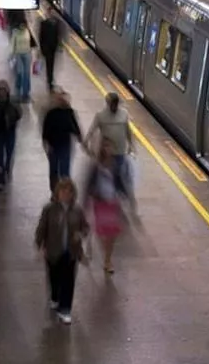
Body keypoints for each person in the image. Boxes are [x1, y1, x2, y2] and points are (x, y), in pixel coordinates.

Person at [34, 177, 90, 325]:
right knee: (54, 277)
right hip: (53, 251)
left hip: (70, 251)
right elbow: (42, 228)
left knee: (68, 280)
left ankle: (65, 309)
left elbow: (85, 227)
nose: (65, 195)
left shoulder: (77, 210)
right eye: (63, 191)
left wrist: (80, 234)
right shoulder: (49, 209)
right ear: (57, 193)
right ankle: (55, 297)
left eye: (69, 192)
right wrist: (39, 245)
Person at [84, 92, 138, 215]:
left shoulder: (124, 114)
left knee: (121, 177)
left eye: (115, 104)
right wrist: (86, 142)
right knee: (109, 177)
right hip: (106, 154)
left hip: (120, 152)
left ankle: (126, 199)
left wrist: (132, 145)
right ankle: (114, 198)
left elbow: (128, 131)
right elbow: (92, 129)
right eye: (112, 104)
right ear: (108, 104)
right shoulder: (101, 116)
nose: (114, 106)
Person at [87, 136, 125, 274]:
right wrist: (87, 201)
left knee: (112, 233)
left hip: (112, 202)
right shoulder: (96, 166)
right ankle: (106, 258)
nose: (108, 149)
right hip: (100, 203)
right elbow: (89, 185)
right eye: (105, 146)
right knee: (104, 232)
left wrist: (124, 196)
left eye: (110, 147)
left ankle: (107, 259)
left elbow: (119, 182)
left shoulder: (114, 164)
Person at [41, 88, 83, 191]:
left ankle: (65, 191)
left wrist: (79, 136)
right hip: (53, 146)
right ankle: (54, 192)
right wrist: (46, 144)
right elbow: (45, 131)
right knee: (54, 171)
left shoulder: (69, 112)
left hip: (65, 145)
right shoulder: (50, 114)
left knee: (65, 171)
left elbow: (74, 126)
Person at [8, 21, 35, 102]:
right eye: (21, 25)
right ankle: (18, 87)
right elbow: (12, 43)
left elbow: (33, 41)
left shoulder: (28, 31)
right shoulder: (15, 32)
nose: (23, 27)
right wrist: (11, 54)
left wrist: (37, 53)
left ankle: (25, 93)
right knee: (20, 72)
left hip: (27, 54)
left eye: (24, 25)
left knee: (26, 73)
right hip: (18, 54)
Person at [37, 12, 62, 91]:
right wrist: (41, 49)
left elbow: (58, 36)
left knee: (51, 65)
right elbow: (40, 37)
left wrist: (58, 46)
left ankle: (50, 79)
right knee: (49, 66)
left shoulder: (57, 23)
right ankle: (49, 81)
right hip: (46, 48)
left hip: (53, 48)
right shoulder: (43, 23)